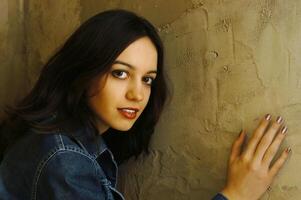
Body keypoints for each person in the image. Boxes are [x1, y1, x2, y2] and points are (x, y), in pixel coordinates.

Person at [0, 9, 290, 200]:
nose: (137, 94)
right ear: (83, 71)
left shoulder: (61, 142)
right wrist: (235, 195)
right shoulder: (63, 160)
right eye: (120, 73)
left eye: (148, 79)